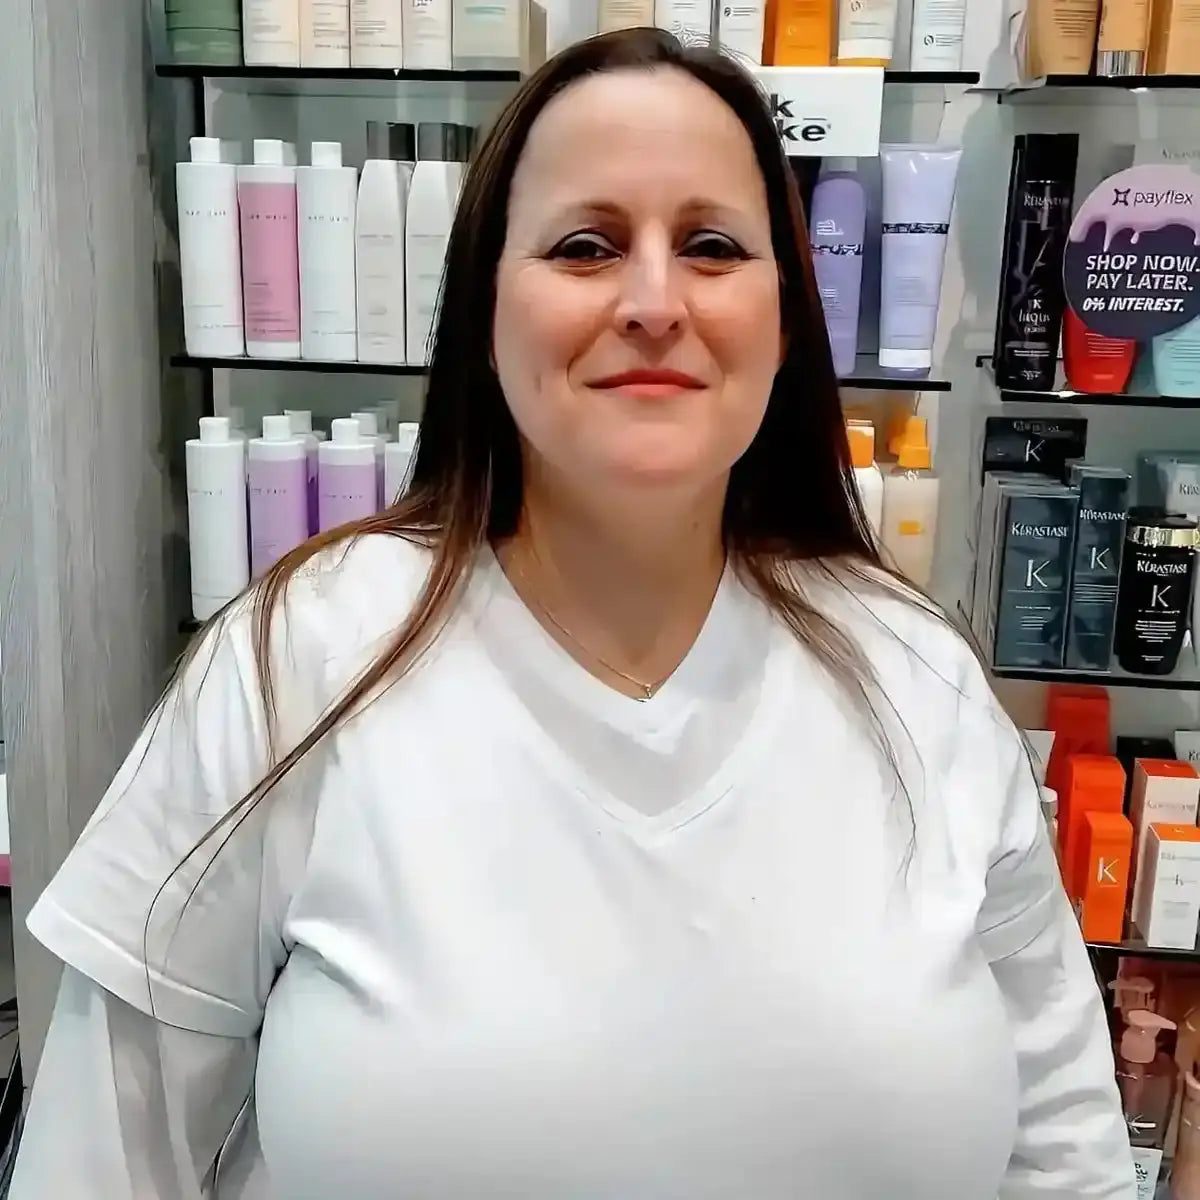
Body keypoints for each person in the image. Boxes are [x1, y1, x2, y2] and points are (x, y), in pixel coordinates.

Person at [12, 28, 1133, 1200]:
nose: (654, 301)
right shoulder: (299, 661)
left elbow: (1068, 1155)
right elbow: (104, 1159)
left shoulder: (919, 678)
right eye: (587, 246)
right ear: (486, 314)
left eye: (710, 245)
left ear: (787, 318)